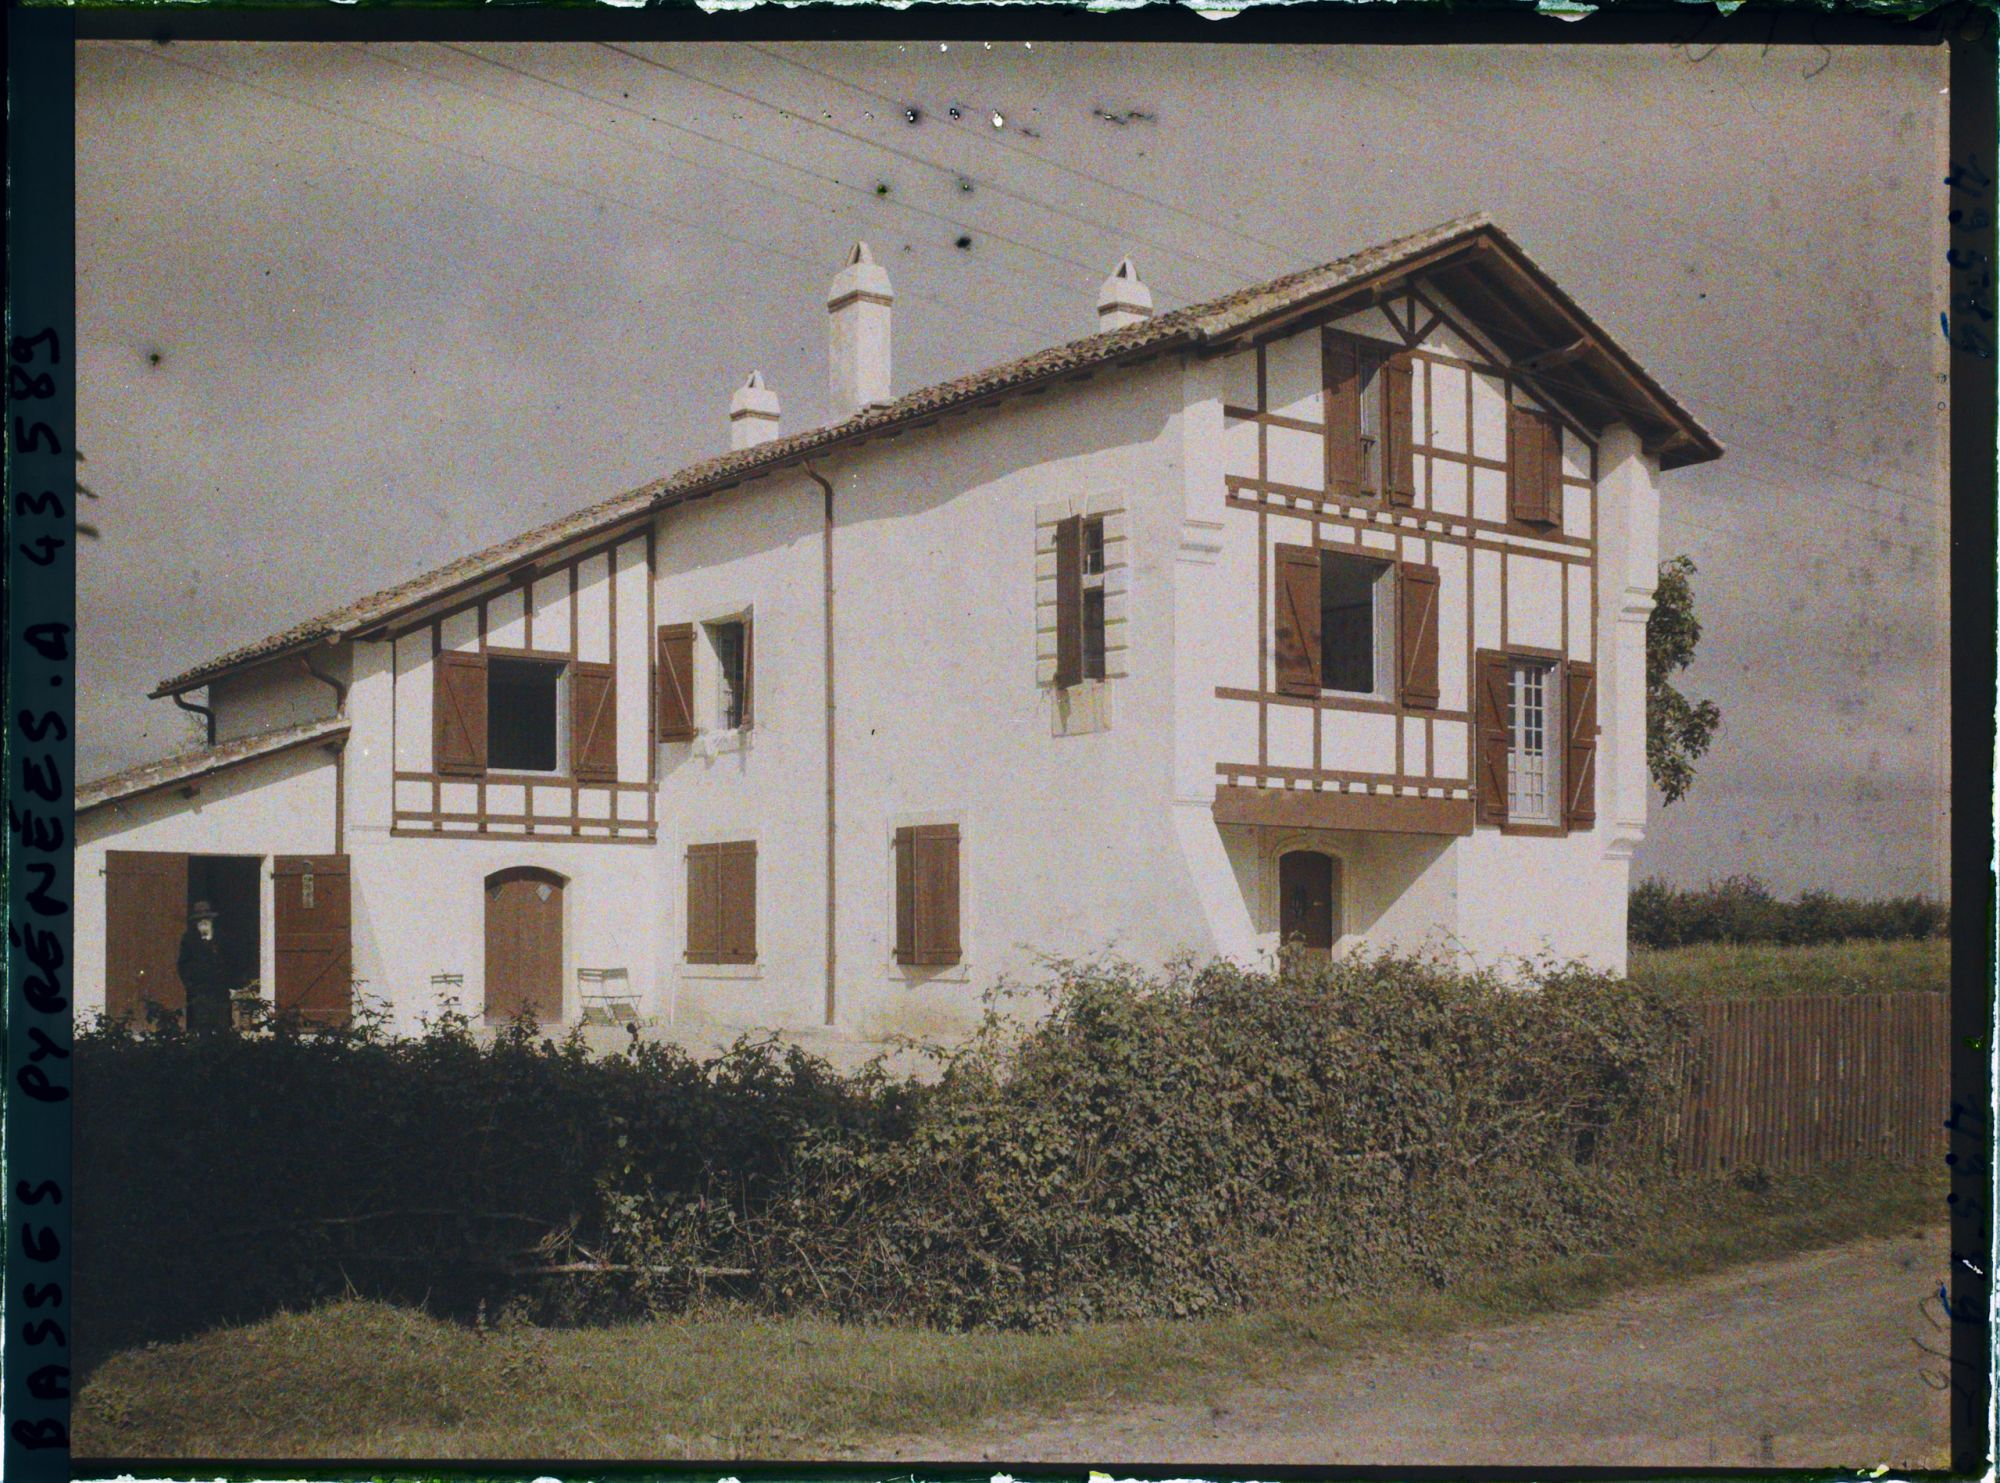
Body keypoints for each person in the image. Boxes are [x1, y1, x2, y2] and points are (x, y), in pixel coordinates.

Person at [176, 900, 233, 1035]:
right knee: (204, 1029)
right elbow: (183, 965)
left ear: (211, 920)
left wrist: (229, 981)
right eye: (199, 920)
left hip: (221, 992)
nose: (203, 922)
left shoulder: (221, 938)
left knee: (223, 1029)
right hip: (201, 993)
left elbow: (231, 960)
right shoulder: (189, 940)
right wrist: (191, 985)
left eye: (206, 919)